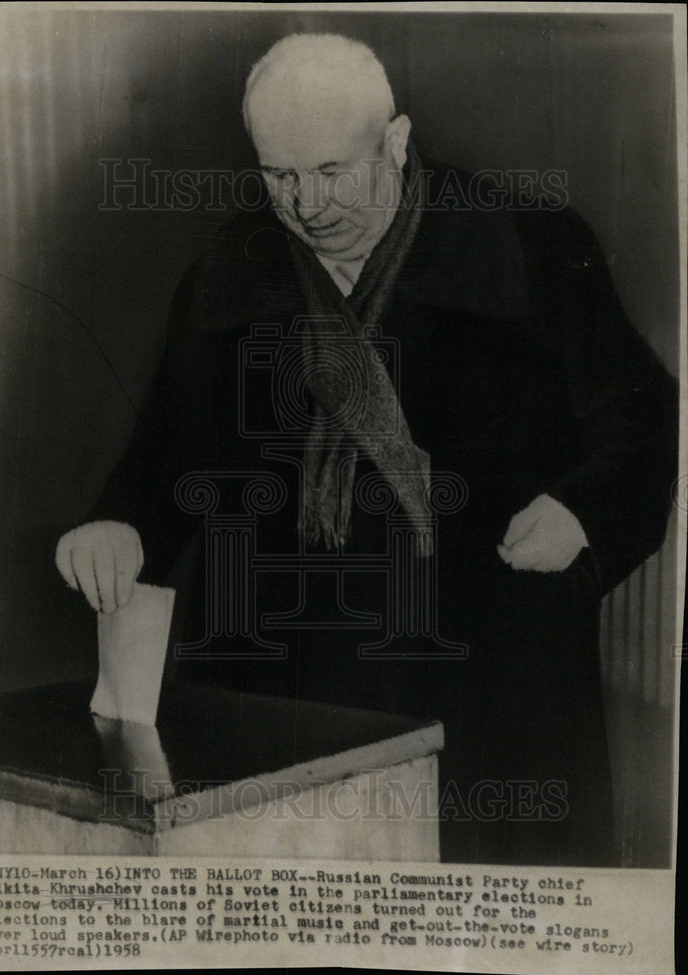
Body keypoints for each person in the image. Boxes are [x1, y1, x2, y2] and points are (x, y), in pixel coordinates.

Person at [56, 34, 677, 865]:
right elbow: (169, 454)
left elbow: (641, 418)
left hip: (484, 678)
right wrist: (118, 525)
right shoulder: (231, 269)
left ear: (395, 142)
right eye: (279, 176)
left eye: (330, 173)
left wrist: (581, 512)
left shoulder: (527, 245)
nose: (304, 205)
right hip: (283, 685)